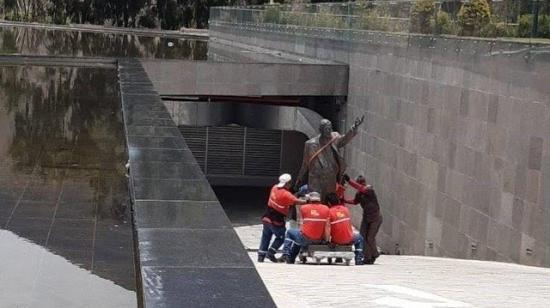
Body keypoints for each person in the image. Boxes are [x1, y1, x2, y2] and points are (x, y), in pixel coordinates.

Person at [296, 116, 364, 200]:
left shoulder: (334, 138)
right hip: (316, 178)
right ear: (321, 130)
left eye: (330, 128)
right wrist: (299, 178)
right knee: (316, 201)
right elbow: (305, 163)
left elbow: (344, 139)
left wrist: (354, 127)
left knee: (329, 200)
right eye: (326, 129)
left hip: (330, 177)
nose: (329, 131)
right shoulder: (310, 144)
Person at [258, 173, 307, 263]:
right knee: (282, 237)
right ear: (288, 183)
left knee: (266, 236)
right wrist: (308, 201)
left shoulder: (274, 188)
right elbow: (297, 201)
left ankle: (261, 256)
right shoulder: (286, 194)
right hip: (276, 220)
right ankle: (271, 252)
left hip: (266, 218)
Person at [280, 192, 330, 264]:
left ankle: (285, 253)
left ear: (309, 199)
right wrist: (327, 240)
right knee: (297, 240)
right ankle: (291, 258)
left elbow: (300, 224)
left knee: (290, 232)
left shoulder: (304, 208)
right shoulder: (326, 208)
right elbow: (327, 226)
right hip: (319, 239)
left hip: (306, 238)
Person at [344, 175, 382, 264]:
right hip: (366, 217)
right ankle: (367, 257)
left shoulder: (369, 190)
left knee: (370, 237)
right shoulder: (359, 194)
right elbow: (355, 202)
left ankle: (374, 254)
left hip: (375, 217)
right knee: (362, 236)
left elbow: (362, 189)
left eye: (362, 183)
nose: (362, 185)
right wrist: (345, 200)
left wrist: (349, 181)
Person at [325, 192, 364, 265]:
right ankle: (358, 259)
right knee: (359, 238)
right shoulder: (346, 210)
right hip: (349, 238)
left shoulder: (329, 212)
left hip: (336, 240)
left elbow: (328, 228)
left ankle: (338, 258)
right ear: (338, 200)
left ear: (329, 203)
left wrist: (327, 241)